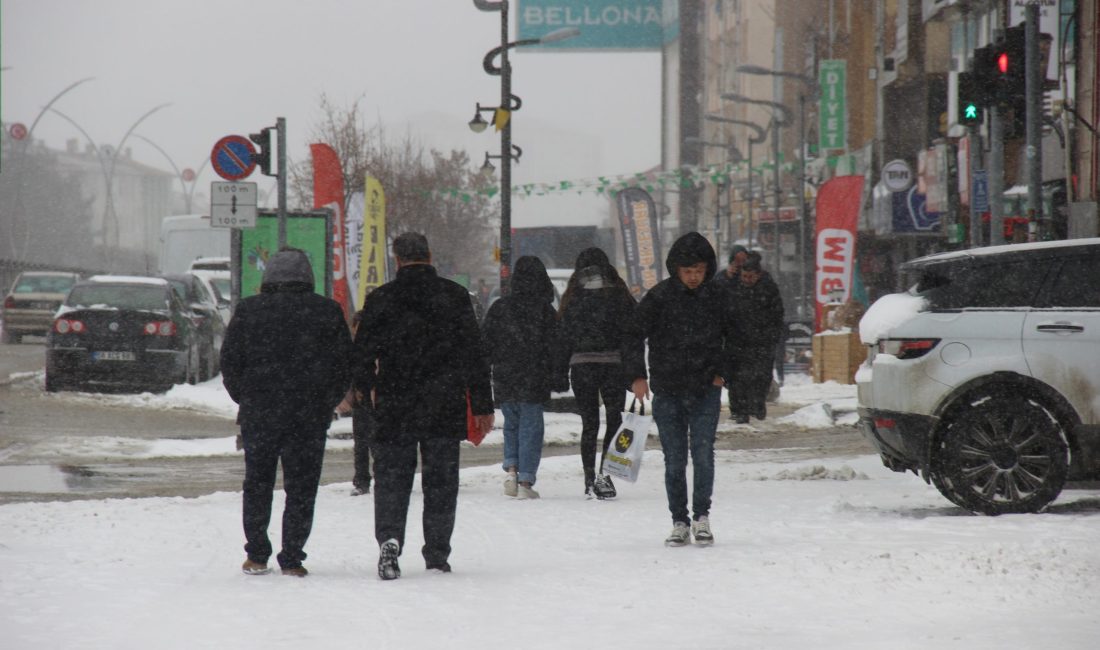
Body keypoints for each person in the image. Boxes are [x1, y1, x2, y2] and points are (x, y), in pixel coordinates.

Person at [353, 232, 494, 581]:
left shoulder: (381, 299)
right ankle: (437, 553)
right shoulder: (455, 296)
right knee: (442, 481)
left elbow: (362, 354)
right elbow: (474, 354)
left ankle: (389, 538)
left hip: (395, 400)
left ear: (397, 259)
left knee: (391, 477)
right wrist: (481, 403)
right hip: (443, 400)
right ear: (429, 256)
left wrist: (365, 389)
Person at [220, 247, 353, 578]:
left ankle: (257, 553)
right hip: (308, 415)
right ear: (307, 276)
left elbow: (230, 362)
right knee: (302, 487)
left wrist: (246, 397)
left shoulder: (249, 311)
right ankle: (292, 556)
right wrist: (326, 401)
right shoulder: (327, 312)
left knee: (258, 482)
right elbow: (343, 365)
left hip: (260, 412)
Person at [625, 232, 731, 548]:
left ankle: (701, 517)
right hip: (668, 389)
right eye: (687, 272)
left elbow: (737, 337)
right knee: (674, 459)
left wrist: (722, 373)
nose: (693, 277)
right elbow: (632, 335)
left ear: (707, 268)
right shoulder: (659, 298)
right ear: (676, 269)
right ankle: (679, 520)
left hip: (705, 389)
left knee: (703, 454)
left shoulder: (718, 297)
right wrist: (637, 376)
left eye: (698, 271)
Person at [556, 247, 639, 499]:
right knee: (614, 422)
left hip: (581, 366)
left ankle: (589, 477)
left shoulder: (572, 295)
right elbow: (632, 332)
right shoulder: (619, 294)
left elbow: (562, 337)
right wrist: (633, 370)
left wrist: (559, 371)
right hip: (613, 365)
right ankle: (606, 476)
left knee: (589, 424)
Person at [481, 256, 558, 500]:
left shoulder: (500, 308)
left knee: (511, 425)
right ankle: (526, 480)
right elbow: (557, 345)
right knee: (531, 428)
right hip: (534, 377)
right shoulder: (546, 312)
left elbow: (486, 344)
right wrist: (555, 373)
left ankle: (511, 470)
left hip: (505, 376)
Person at [728, 252, 785, 423]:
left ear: (758, 275)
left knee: (760, 376)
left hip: (762, 342)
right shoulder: (734, 286)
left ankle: (757, 405)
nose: (746, 279)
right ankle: (739, 411)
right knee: (738, 377)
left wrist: (770, 336)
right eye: (744, 276)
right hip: (738, 341)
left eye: (750, 276)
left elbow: (777, 314)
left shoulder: (768, 288)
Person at [713, 244, 749, 417]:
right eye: (737, 260)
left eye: (744, 261)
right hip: (728, 335)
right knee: (734, 375)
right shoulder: (722, 279)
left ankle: (745, 407)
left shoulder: (748, 279)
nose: (740, 264)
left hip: (746, 334)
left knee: (746, 374)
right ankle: (738, 409)